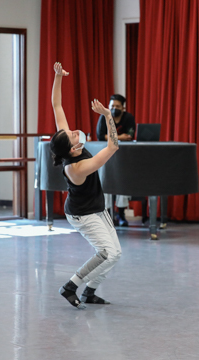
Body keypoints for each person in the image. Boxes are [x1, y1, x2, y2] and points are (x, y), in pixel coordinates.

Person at [49, 62, 121, 309]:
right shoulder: (76, 167)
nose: (73, 131)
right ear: (71, 148)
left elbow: (56, 104)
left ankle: (90, 292)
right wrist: (108, 115)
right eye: (70, 135)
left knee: (116, 253)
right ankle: (71, 286)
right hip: (82, 214)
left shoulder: (69, 143)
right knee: (105, 252)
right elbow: (113, 147)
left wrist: (58, 77)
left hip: (96, 207)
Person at [96, 94, 136, 226]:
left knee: (122, 182)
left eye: (117, 106)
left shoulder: (128, 118)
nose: (114, 108)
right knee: (105, 181)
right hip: (106, 158)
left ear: (123, 108)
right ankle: (107, 213)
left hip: (125, 158)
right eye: (112, 106)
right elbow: (100, 136)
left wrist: (112, 137)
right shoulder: (104, 117)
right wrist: (119, 137)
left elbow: (130, 136)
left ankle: (121, 214)